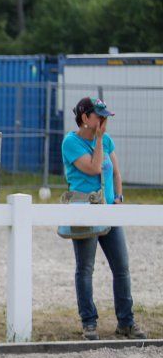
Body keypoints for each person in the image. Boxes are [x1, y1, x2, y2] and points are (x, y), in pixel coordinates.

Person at [62, 96, 146, 340]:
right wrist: (98, 139)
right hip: (84, 209)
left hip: (109, 209)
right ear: (85, 118)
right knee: (85, 268)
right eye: (99, 116)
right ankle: (89, 322)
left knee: (121, 267)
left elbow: (116, 172)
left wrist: (119, 197)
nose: (103, 120)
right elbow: (95, 167)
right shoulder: (71, 142)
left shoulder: (107, 140)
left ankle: (126, 322)